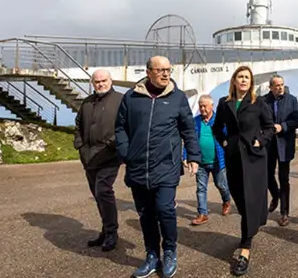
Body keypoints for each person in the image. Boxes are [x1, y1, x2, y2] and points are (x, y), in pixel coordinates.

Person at [115, 56, 201, 278]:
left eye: (168, 70)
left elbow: (188, 130)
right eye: (160, 70)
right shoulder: (131, 97)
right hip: (137, 166)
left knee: (164, 209)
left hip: (166, 165)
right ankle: (152, 255)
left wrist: (194, 156)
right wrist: (126, 153)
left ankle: (170, 251)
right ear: (148, 71)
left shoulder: (178, 98)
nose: (165, 74)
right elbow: (120, 128)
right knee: (145, 213)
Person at [211, 65, 276, 276]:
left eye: (247, 77)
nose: (243, 80)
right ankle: (251, 226)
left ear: (251, 81)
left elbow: (269, 127)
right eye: (240, 77)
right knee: (240, 199)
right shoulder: (224, 103)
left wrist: (260, 141)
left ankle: (245, 249)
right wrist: (224, 142)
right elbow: (216, 127)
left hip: (254, 158)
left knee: (250, 201)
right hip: (233, 159)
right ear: (234, 80)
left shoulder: (259, 102)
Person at [73, 68, 124, 252]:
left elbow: (126, 126)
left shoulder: (120, 100)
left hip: (109, 155)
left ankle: (112, 232)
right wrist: (79, 144)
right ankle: (105, 229)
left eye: (104, 80)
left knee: (103, 190)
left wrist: (113, 144)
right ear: (92, 83)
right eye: (97, 81)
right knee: (97, 194)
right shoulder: (87, 102)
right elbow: (78, 123)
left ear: (111, 81)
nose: (101, 84)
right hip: (88, 157)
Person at [183, 94, 232, 225]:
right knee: (201, 188)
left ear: (212, 106)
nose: (202, 108)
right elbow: (190, 139)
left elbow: (228, 137)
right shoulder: (195, 121)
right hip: (200, 162)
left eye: (205, 105)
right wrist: (185, 155)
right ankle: (202, 214)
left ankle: (226, 200)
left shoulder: (219, 120)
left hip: (218, 162)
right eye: (200, 106)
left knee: (221, 185)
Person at [263, 74, 298, 227]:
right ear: (270, 87)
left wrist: (283, 126)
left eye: (282, 84)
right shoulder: (263, 100)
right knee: (267, 175)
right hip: (268, 144)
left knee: (284, 179)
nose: (280, 87)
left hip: (285, 144)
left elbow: (297, 120)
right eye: (276, 85)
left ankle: (284, 212)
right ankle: (275, 195)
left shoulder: (291, 100)